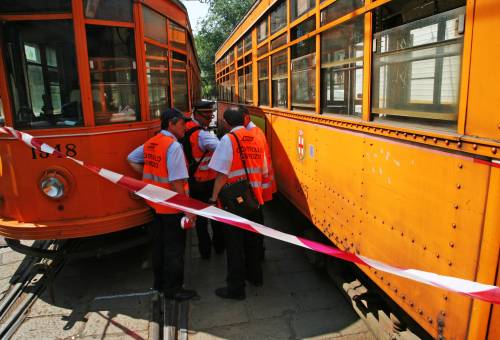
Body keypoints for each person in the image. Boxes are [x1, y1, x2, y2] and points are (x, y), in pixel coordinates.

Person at [127, 108, 198, 301]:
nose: (186, 126)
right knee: (174, 250)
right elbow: (176, 182)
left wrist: (148, 178)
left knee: (159, 247)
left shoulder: (152, 143)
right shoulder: (173, 147)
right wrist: (188, 210)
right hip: (172, 208)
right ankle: (173, 290)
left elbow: (131, 158)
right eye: (182, 123)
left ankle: (159, 284)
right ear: (171, 124)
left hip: (155, 204)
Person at [208, 106, 268, 300]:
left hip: (234, 203)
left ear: (226, 123)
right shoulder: (257, 137)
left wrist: (213, 197)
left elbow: (221, 173)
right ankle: (256, 277)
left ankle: (236, 288)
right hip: (254, 200)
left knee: (234, 246)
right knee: (253, 242)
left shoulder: (228, 140)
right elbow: (264, 170)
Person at [183, 101, 224, 259]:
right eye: (206, 116)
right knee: (216, 216)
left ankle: (204, 251)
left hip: (192, 182)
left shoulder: (185, 128)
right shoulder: (202, 135)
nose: (209, 118)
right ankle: (219, 247)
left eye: (210, 115)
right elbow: (223, 149)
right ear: (197, 114)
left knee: (199, 220)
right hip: (207, 183)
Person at [242, 108, 277, 262]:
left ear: (245, 118)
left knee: (255, 222)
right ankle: (257, 252)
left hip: (254, 189)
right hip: (257, 187)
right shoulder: (254, 132)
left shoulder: (253, 134)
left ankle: (257, 254)